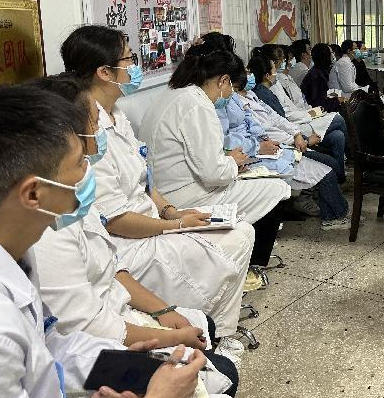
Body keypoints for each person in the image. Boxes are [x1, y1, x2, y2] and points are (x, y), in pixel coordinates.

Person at [0, 84, 257, 398]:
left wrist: (118, 364)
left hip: (61, 386)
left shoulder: (17, 254)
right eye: (79, 164)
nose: (88, 173)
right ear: (34, 193)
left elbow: (50, 343)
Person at [26, 75, 241, 395]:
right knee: (222, 373)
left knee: (203, 325)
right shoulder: (46, 235)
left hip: (115, 314)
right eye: (94, 123)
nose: (100, 131)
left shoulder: (73, 200)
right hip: (98, 346)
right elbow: (87, 330)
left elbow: (113, 268)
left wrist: (164, 312)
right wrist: (170, 338)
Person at [61, 26, 256, 338]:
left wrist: (171, 212)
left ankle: (211, 321)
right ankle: (213, 329)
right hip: (129, 243)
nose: (134, 67)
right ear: (105, 72)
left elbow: (145, 181)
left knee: (236, 229)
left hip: (155, 218)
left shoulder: (117, 115)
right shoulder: (88, 129)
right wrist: (176, 225)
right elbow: (115, 219)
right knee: (236, 238)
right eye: (129, 59)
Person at [140, 44, 292, 272]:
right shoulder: (198, 105)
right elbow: (214, 174)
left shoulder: (173, 93)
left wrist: (229, 161)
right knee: (278, 189)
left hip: (162, 191)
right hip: (182, 197)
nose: (231, 94)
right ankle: (253, 265)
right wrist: (233, 163)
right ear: (223, 81)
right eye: (232, 87)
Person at [220, 55, 350, 229]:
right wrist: (296, 139)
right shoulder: (230, 103)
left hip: (278, 143)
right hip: (265, 150)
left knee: (335, 141)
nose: (249, 74)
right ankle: (332, 214)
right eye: (246, 71)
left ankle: (328, 207)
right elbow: (255, 132)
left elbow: (275, 118)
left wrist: (297, 134)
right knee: (328, 166)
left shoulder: (250, 95)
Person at [250, 47, 347, 182]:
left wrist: (310, 113)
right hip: (295, 128)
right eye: (285, 60)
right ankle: (355, 156)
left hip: (298, 123)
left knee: (338, 136)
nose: (288, 62)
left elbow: (284, 113)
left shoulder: (273, 86)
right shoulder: (265, 91)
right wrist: (304, 135)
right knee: (338, 118)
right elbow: (282, 119)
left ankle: (341, 176)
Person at [302, 43, 346, 112]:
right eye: (331, 53)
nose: (333, 55)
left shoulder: (322, 71)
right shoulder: (315, 76)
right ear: (325, 55)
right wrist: (337, 100)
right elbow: (318, 103)